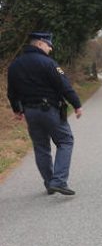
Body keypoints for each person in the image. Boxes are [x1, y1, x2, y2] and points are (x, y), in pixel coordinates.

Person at [7, 32, 82, 195]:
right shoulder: (48, 63)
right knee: (65, 141)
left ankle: (50, 183)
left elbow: (11, 92)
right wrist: (76, 104)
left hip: (30, 112)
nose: (50, 49)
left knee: (41, 147)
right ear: (40, 43)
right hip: (49, 110)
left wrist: (17, 110)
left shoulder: (15, 65)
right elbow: (64, 86)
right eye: (49, 45)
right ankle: (59, 181)